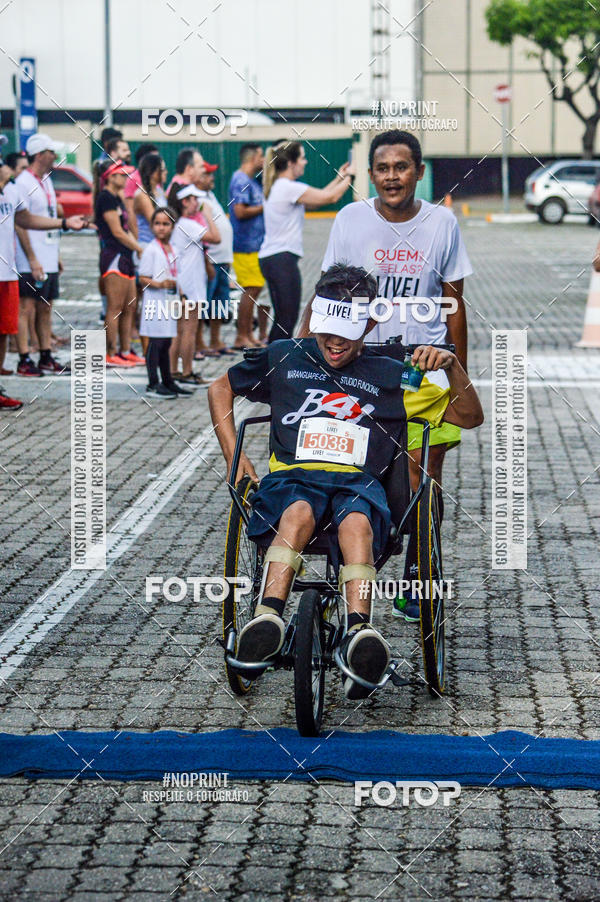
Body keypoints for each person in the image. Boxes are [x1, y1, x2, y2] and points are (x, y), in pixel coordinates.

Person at [208, 264, 483, 697]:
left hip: (359, 485)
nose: (334, 342)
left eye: (347, 331)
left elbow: (469, 417)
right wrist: (234, 456)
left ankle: (359, 632)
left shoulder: (397, 370)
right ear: (316, 316)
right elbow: (219, 388)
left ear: (371, 322)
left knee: (358, 524)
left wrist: (451, 366)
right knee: (297, 513)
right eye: (327, 329)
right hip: (294, 479)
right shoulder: (286, 354)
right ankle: (267, 619)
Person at [298, 129, 472, 621]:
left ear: (418, 171)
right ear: (371, 174)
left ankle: (418, 575)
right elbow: (328, 290)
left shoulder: (442, 223)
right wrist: (301, 343)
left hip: (425, 365)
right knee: (356, 468)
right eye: (382, 168)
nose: (391, 176)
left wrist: (458, 364)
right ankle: (357, 562)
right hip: (363, 362)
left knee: (423, 478)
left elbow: (454, 300)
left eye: (401, 167)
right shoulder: (351, 218)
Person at [0, 146, 87, 406]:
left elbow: (24, 219)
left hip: (7, 272)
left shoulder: (11, 189)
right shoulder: (11, 182)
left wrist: (63, 223)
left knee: (4, 331)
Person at [258, 141, 355, 343]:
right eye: (302, 157)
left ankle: (270, 361)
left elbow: (318, 197)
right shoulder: (288, 187)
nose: (305, 162)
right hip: (281, 259)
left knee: (283, 318)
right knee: (287, 319)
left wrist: (340, 177)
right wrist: (351, 176)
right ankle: (272, 364)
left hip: (274, 258)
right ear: (291, 163)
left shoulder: (281, 187)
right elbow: (330, 198)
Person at [15, 133, 69, 376]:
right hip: (29, 257)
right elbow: (20, 223)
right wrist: (33, 258)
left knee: (46, 306)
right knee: (26, 308)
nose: (54, 156)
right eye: (50, 152)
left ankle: (45, 354)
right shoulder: (22, 183)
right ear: (39, 154)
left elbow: (47, 216)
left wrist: (54, 255)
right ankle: (24, 357)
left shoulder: (46, 180)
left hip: (48, 254)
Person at [138, 207, 193, 400]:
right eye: (157, 224)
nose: (161, 228)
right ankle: (153, 383)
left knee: (167, 341)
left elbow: (176, 276)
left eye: (165, 224)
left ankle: (167, 379)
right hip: (155, 302)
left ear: (173, 227)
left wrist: (182, 295)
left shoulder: (174, 250)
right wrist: (159, 284)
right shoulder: (151, 250)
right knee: (156, 342)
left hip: (169, 302)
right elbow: (143, 277)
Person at [95, 158, 144, 366]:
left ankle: (125, 350)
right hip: (113, 255)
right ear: (110, 177)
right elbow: (116, 231)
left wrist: (135, 246)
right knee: (115, 307)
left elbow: (125, 229)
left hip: (125, 256)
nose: (126, 178)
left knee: (130, 307)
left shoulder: (118, 198)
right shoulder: (105, 198)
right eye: (122, 175)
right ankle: (110, 352)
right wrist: (140, 248)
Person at [170, 184, 220, 385]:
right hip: (190, 284)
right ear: (185, 201)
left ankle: (174, 370)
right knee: (189, 329)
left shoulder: (182, 224)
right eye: (194, 199)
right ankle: (187, 372)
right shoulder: (187, 224)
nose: (198, 203)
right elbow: (216, 237)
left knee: (180, 330)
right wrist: (208, 214)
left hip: (185, 282)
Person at [229, 143, 268, 348]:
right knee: (251, 288)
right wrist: (265, 207)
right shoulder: (240, 180)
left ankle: (248, 334)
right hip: (245, 244)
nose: (263, 160)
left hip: (255, 244)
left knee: (255, 288)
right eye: (261, 155)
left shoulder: (251, 181)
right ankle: (241, 335)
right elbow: (240, 211)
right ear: (253, 157)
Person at [196, 161, 235, 356]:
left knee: (220, 302)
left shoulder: (209, 195)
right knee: (205, 303)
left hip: (223, 258)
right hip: (211, 259)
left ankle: (215, 339)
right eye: (207, 174)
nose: (212, 178)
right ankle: (200, 342)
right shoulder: (197, 198)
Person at [124, 142, 159, 239]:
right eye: (154, 158)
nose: (158, 161)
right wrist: (137, 240)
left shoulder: (155, 179)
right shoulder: (133, 179)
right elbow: (130, 212)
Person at [133, 153, 167, 249]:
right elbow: (156, 221)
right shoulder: (142, 195)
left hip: (159, 245)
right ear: (153, 173)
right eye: (163, 169)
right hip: (147, 246)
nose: (166, 172)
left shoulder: (159, 190)